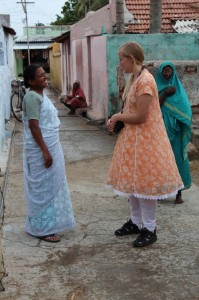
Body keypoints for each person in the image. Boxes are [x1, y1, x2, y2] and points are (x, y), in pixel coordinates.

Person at [106, 42, 183, 247]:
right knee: (133, 184)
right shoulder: (135, 78)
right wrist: (116, 122)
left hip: (146, 142)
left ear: (131, 58)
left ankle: (150, 228)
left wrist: (116, 116)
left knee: (145, 187)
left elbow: (141, 116)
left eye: (122, 59)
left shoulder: (146, 81)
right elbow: (131, 112)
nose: (120, 63)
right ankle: (136, 222)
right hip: (134, 141)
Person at [22, 64, 75, 243]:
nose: (45, 77)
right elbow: (34, 125)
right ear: (31, 81)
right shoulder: (31, 97)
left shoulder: (40, 95)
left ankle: (48, 224)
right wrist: (45, 151)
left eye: (45, 74)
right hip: (40, 149)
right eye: (41, 76)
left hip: (51, 144)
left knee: (52, 185)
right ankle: (41, 228)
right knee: (43, 189)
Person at [156, 62, 192, 204]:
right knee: (161, 162)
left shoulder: (178, 88)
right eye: (164, 71)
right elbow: (154, 106)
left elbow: (186, 111)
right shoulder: (157, 88)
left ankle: (178, 193)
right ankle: (161, 192)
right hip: (160, 131)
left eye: (169, 71)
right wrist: (164, 93)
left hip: (176, 132)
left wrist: (180, 121)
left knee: (178, 161)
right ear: (160, 73)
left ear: (173, 72)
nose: (167, 73)